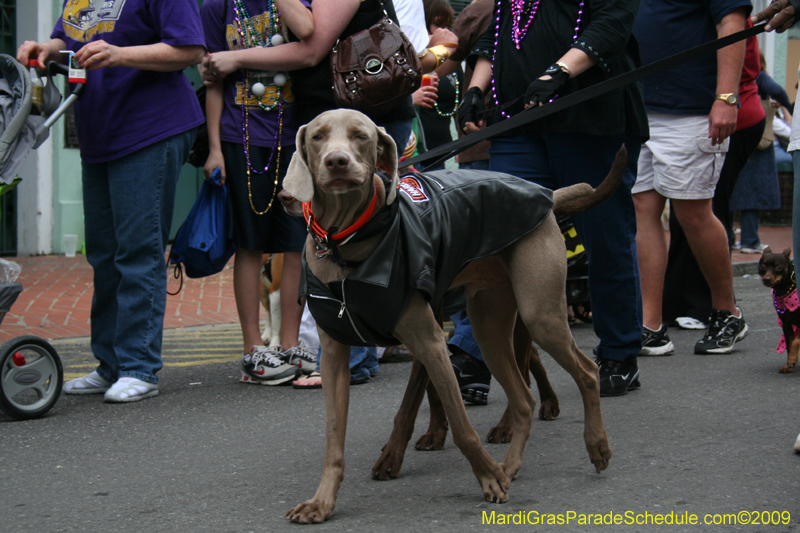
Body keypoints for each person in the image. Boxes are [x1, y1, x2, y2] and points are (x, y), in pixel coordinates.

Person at [203, 0, 457, 389]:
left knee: (355, 233)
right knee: (341, 234)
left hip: (359, 119)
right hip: (332, 119)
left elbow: (311, 46)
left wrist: (234, 59)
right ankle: (357, 353)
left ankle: (352, 357)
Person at [17, 0, 205, 402]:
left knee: (138, 252)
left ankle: (139, 367)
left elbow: (191, 50)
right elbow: (66, 38)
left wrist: (121, 54)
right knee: (104, 253)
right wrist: (48, 49)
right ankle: (111, 366)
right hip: (99, 131)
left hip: (150, 128)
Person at [458, 0, 648, 397]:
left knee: (605, 238)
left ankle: (618, 352)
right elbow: (500, 33)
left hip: (590, 119)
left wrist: (558, 72)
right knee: (496, 240)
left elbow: (611, 25)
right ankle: (474, 353)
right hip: (519, 125)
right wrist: (476, 87)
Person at [201, 0, 317, 386]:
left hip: (293, 140)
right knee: (249, 245)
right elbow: (212, 80)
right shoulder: (217, 6)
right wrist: (215, 147)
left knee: (296, 242)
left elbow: (308, 35)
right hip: (239, 138)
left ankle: (289, 344)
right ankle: (253, 348)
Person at [632, 0, 750, 357]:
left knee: (693, 213)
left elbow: (731, 22)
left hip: (691, 108)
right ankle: (650, 323)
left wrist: (726, 97)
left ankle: (727, 312)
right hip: (638, 105)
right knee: (641, 208)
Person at [658, 19, 765, 334]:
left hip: (729, 120)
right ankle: (676, 302)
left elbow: (748, 68)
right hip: (689, 116)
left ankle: (714, 306)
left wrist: (724, 99)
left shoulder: (726, 19)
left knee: (704, 210)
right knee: (684, 213)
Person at [731, 53, 793, 254]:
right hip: (756, 141)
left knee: (729, 189)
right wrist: (788, 107)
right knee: (752, 193)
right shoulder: (756, 75)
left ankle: (729, 238)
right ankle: (750, 240)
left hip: (731, 135)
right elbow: (778, 90)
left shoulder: (729, 74)